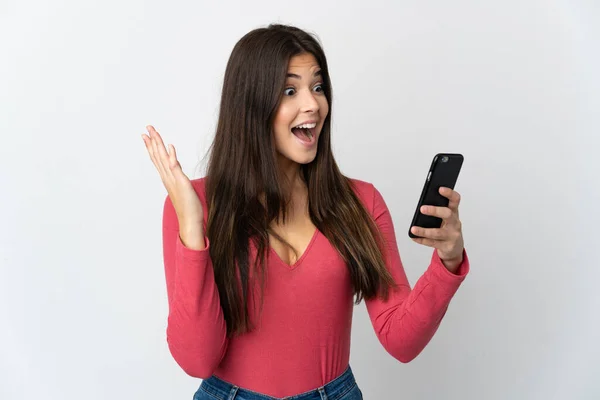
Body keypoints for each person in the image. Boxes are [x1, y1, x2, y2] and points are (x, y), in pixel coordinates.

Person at [141, 23, 469, 400]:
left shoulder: (360, 202)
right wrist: (193, 227)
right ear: (251, 105)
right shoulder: (191, 206)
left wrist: (448, 262)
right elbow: (197, 360)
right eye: (289, 90)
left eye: (317, 87)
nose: (313, 104)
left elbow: (401, 340)